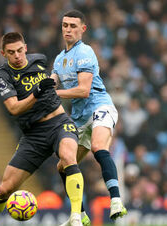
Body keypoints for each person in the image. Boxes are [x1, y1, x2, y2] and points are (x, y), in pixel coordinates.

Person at [0, 32, 85, 226]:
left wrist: (53, 80)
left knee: (68, 157)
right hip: (33, 135)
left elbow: (56, 74)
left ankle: (77, 217)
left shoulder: (39, 59)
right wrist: (37, 92)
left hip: (59, 121)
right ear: (3, 53)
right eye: (11, 52)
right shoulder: (2, 75)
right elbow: (13, 108)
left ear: (25, 48)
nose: (17, 56)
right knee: (4, 189)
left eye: (20, 50)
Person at [51, 9, 127, 223]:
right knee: (63, 164)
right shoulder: (59, 59)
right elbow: (51, 83)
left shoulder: (85, 52)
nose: (68, 29)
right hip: (80, 117)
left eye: (73, 26)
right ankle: (80, 214)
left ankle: (116, 200)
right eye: (65, 25)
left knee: (97, 147)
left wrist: (54, 92)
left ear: (82, 29)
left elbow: (84, 90)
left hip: (100, 106)